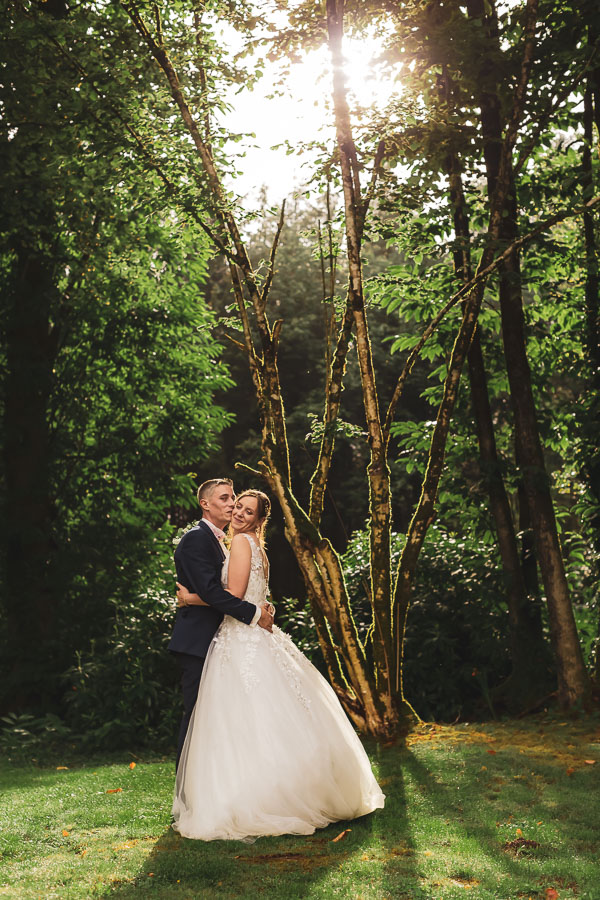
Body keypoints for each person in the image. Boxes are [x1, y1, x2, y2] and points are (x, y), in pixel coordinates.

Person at [172, 488, 385, 841]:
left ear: (259, 519)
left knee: (236, 720)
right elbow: (253, 593)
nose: (238, 511)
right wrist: (259, 609)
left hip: (240, 638)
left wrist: (190, 598)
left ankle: (242, 797)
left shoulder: (241, 544)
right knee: (253, 716)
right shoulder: (255, 547)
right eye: (236, 505)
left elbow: (232, 596)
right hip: (246, 637)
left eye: (246, 510)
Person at [168, 478, 274, 769]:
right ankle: (187, 789)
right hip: (198, 642)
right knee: (196, 717)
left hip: (224, 639)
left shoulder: (228, 541)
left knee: (218, 719)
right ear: (205, 504)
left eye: (234, 499)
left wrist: (190, 598)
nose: (232, 505)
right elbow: (213, 592)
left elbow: (231, 589)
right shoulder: (197, 538)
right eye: (226, 499)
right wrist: (254, 612)